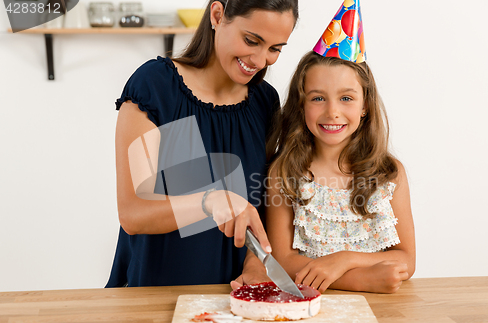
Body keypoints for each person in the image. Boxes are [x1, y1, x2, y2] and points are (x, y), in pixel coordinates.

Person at [106, 0, 298, 288]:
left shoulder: (264, 102)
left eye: (275, 49)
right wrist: (211, 201)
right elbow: (134, 213)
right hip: (155, 291)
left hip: (233, 296)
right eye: (251, 40)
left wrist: (255, 263)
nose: (260, 61)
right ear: (218, 15)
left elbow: (259, 204)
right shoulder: (155, 87)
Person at [265, 12, 416, 292]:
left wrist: (342, 260)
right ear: (301, 105)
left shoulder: (389, 174)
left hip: (385, 317)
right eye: (318, 98)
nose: (332, 112)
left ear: (365, 106)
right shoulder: (285, 174)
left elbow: (406, 259)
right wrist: (358, 279)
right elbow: (283, 260)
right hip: (307, 308)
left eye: (346, 98)